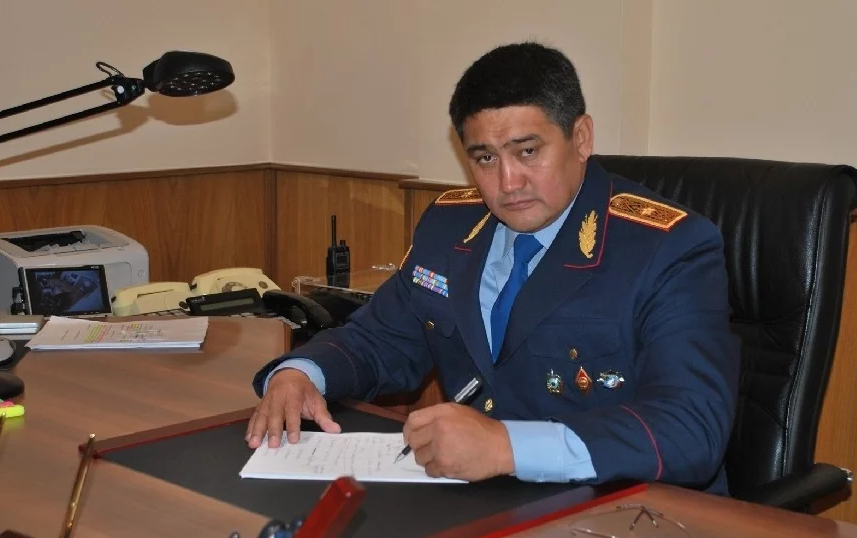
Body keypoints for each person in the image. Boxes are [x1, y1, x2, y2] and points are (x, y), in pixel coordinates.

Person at [247, 41, 740, 494]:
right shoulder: (449, 226)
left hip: (623, 506)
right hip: (482, 501)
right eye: (485, 158)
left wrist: (507, 447)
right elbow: (380, 339)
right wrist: (302, 373)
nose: (508, 182)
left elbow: (691, 430)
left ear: (581, 137)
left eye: (528, 151)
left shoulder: (667, 248)